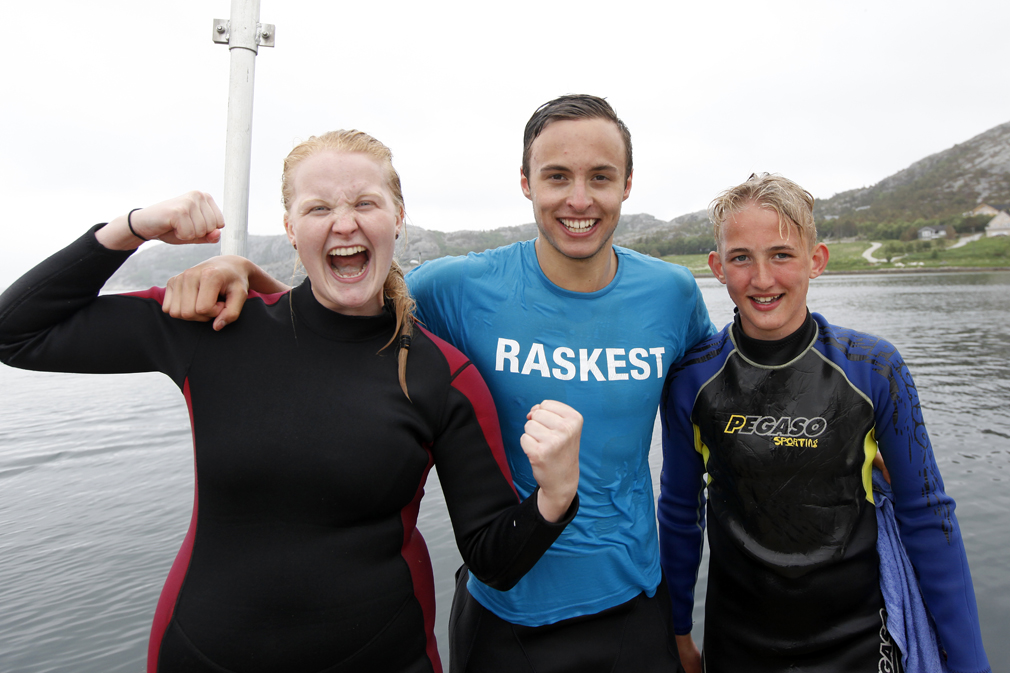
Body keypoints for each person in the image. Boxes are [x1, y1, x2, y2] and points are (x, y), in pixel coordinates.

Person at [162, 95, 714, 672]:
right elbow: (340, 311)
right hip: (507, 614)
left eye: (600, 177)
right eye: (557, 177)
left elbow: (704, 414)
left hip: (634, 604)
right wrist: (250, 279)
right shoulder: (458, 287)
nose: (579, 199)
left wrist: (681, 625)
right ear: (525, 183)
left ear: (627, 184)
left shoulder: (672, 294)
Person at [0, 130, 584, 673]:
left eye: (365, 203)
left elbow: (493, 560)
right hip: (201, 654)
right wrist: (133, 227)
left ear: (398, 218)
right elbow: (17, 333)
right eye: (319, 208)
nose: (344, 224)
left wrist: (555, 496)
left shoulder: (442, 376)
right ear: (290, 227)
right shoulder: (217, 323)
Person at [658, 173, 990, 673]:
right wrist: (678, 631)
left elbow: (927, 515)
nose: (763, 278)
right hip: (738, 645)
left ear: (817, 260)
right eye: (742, 257)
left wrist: (969, 663)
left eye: (782, 255)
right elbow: (681, 515)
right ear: (717, 268)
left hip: (859, 642)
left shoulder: (872, 368)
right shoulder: (693, 378)